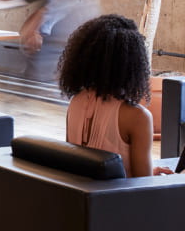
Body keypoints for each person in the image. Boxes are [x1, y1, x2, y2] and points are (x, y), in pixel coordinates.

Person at [58, 13, 172, 178]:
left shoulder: (76, 102)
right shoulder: (137, 117)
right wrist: (184, 176)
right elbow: (144, 187)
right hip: (121, 202)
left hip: (85, 200)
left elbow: (83, 169)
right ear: (134, 64)